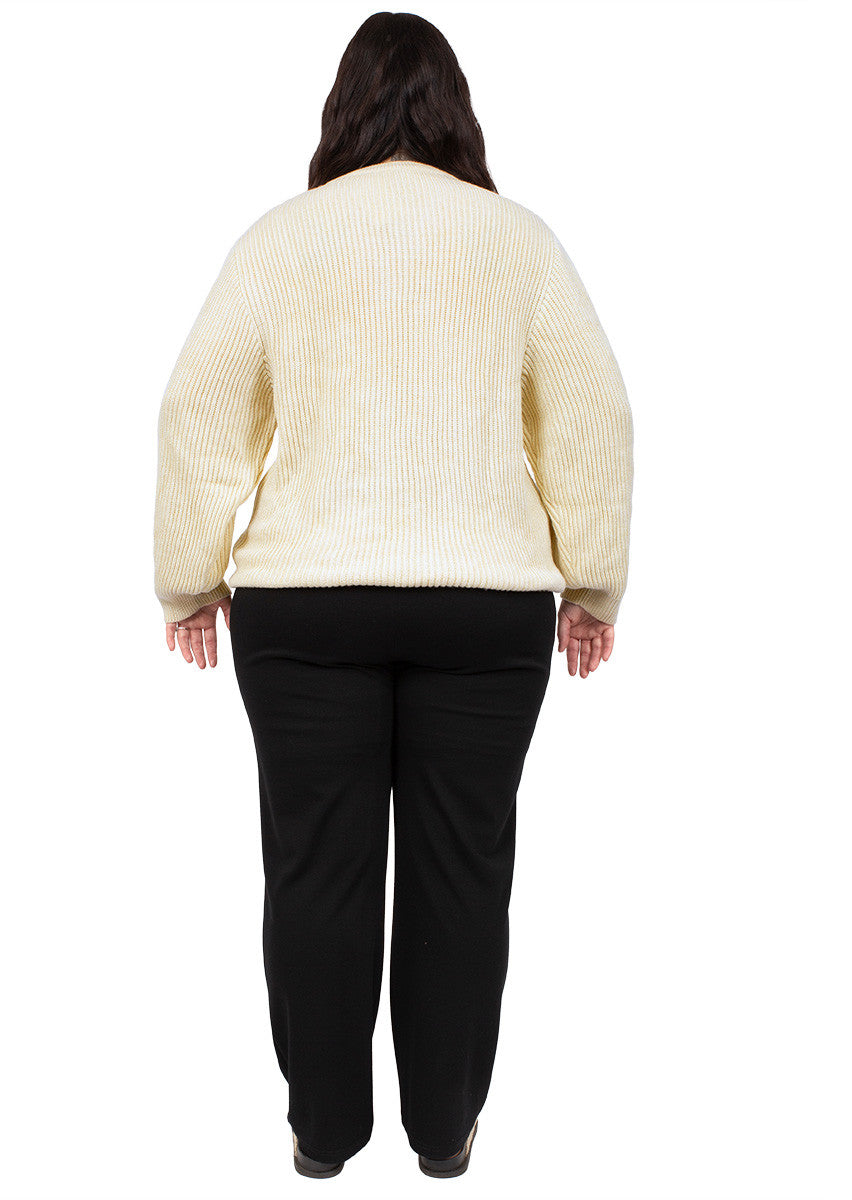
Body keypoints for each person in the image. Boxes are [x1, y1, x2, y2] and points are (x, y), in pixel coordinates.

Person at [153, 10, 634, 1181]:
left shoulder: (283, 239)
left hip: (303, 606)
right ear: (457, 112)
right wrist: (593, 581)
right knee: (462, 873)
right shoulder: (516, 242)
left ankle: (324, 1134)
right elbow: (593, 411)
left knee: (315, 871)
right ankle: (444, 1131)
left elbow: (198, 407)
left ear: (343, 112)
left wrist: (188, 577)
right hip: (484, 607)